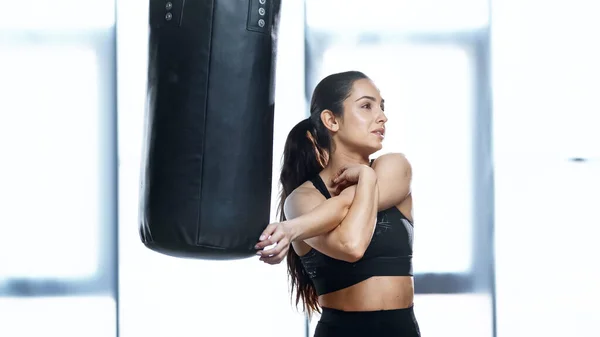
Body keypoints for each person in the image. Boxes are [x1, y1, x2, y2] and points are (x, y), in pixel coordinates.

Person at [254, 71, 420, 337]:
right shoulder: (301, 199)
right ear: (331, 120)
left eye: (382, 107)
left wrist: (292, 229)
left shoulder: (394, 167)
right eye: (367, 106)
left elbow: (346, 204)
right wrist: (366, 181)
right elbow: (351, 244)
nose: (382, 117)